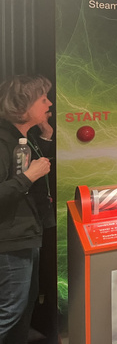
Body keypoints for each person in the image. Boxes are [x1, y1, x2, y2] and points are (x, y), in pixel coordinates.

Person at [0, 74, 55, 344]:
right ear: (23, 105)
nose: (49, 103)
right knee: (11, 311)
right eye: (42, 99)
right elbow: (23, 177)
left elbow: (33, 167)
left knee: (23, 307)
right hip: (10, 240)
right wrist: (28, 178)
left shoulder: (25, 136)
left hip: (26, 234)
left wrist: (46, 136)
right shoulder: (3, 141)